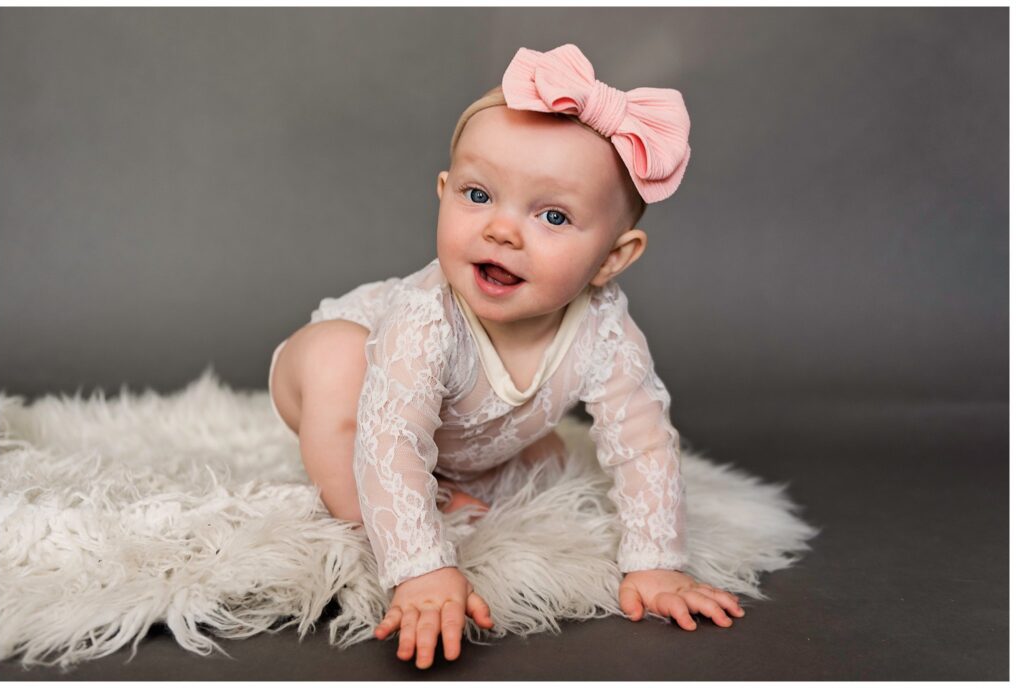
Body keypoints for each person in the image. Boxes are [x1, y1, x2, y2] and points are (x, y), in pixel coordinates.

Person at [268, 44, 745, 670]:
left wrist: (655, 562)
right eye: (477, 195)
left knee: (548, 461)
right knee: (344, 372)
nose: (501, 231)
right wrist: (422, 570)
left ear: (612, 258)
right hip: (345, 380)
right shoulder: (424, 315)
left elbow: (645, 441)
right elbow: (390, 438)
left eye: (552, 215)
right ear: (442, 193)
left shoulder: (605, 328)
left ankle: (447, 478)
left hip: (471, 424)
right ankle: (368, 514)